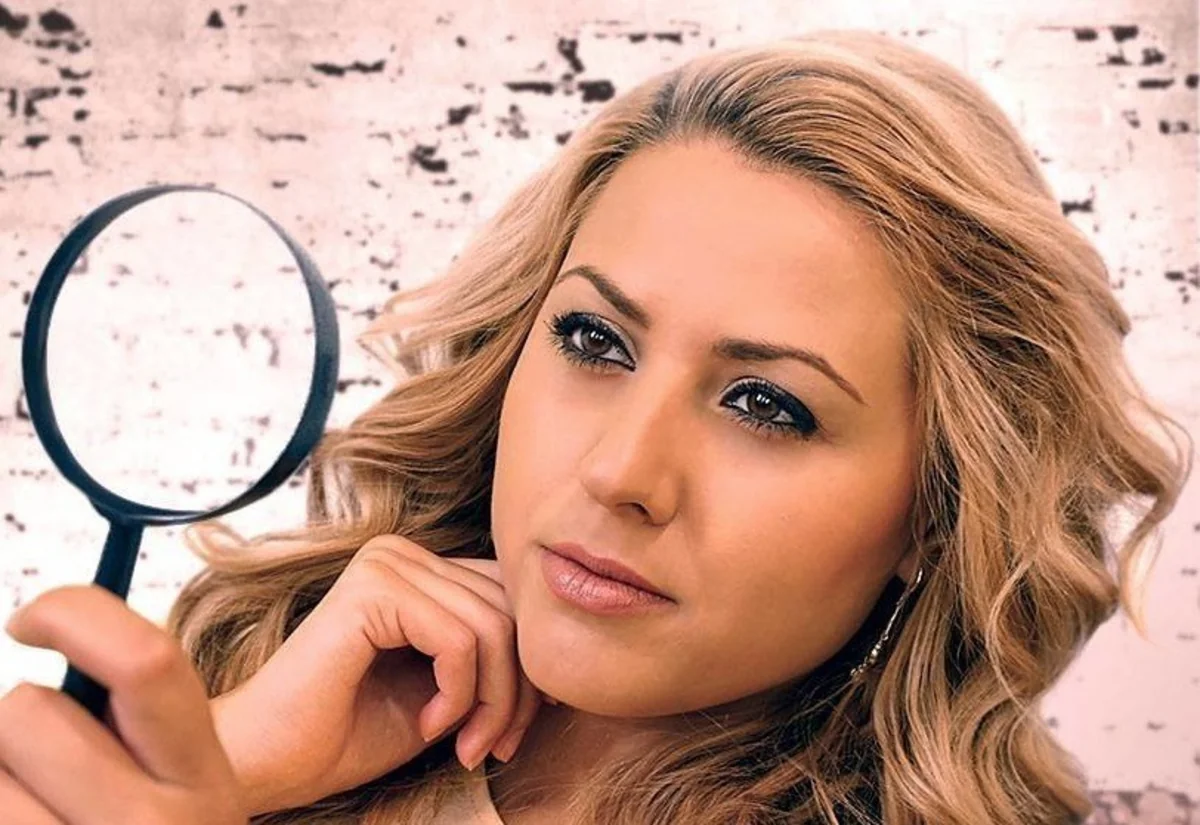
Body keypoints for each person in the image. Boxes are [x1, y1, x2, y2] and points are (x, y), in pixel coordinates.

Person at [0, 28, 1191, 825]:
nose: (622, 470)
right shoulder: (260, 689)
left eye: (768, 406)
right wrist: (238, 762)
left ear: (936, 512)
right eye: (595, 341)